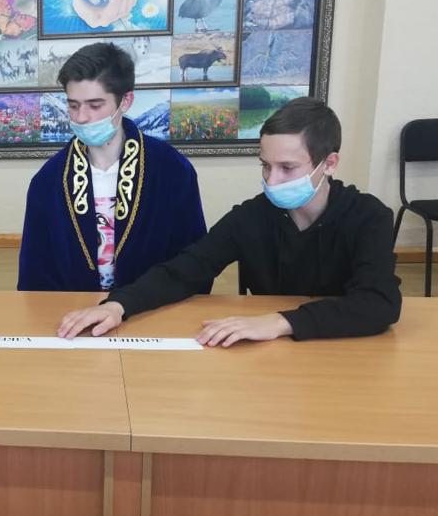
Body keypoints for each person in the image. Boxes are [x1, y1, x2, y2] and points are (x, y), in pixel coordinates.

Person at [57, 97, 403, 346]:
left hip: (343, 349)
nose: (272, 180)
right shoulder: (252, 216)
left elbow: (379, 303)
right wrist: (119, 305)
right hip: (271, 353)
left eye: (287, 168)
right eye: (265, 165)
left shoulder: (369, 217)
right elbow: (187, 268)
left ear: (329, 163)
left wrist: (280, 322)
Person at [18, 42, 206, 292]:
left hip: (153, 306)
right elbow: (35, 271)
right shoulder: (49, 180)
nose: (81, 117)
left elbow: (194, 261)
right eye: (73, 105)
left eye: (95, 105)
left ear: (125, 101)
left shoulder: (172, 171)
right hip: (72, 310)